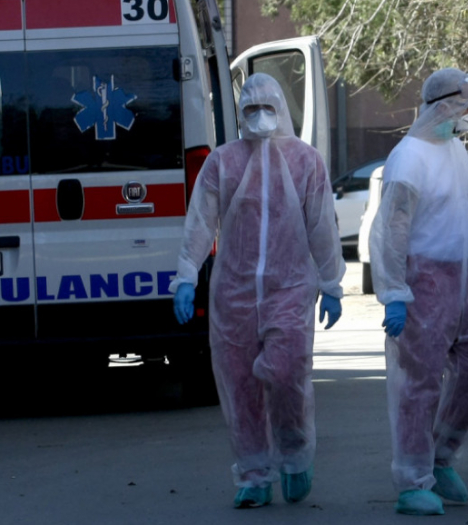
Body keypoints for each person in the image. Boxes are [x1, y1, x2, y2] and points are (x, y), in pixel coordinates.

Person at [170, 73, 345, 509]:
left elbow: (322, 225)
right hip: (235, 292)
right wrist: (187, 273)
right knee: (240, 385)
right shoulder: (223, 161)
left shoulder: (306, 161)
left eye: (268, 107)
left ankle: (295, 456)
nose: (261, 116)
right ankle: (254, 475)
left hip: (290, 287)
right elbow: (201, 219)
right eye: (251, 109)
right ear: (240, 113)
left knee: (286, 373)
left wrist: (331, 281)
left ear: (281, 108)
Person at [369, 67, 468, 516]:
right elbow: (391, 230)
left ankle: (441, 454)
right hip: (422, 286)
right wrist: (394, 292)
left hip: (463, 283)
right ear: (445, 105)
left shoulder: (456, 152)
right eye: (467, 104)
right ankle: (412, 480)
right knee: (420, 383)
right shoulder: (409, 158)